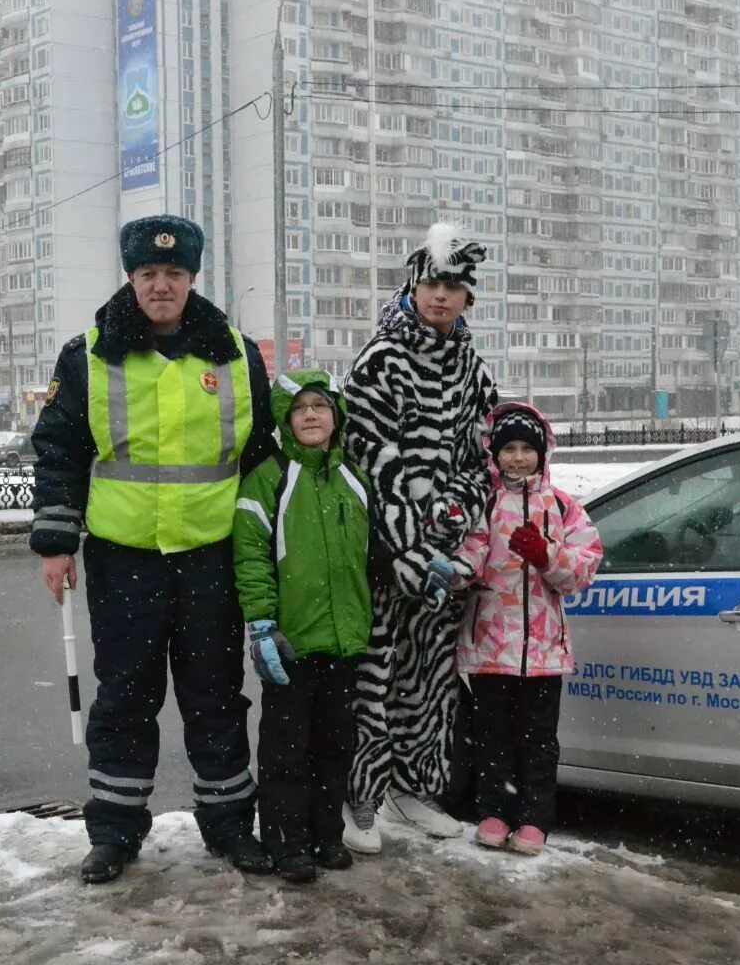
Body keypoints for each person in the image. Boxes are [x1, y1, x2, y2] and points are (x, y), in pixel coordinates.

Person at [29, 214, 278, 884]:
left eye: (173, 274)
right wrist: (57, 542)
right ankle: (113, 833)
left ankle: (229, 826)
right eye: (148, 274)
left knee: (216, 697)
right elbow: (59, 452)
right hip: (123, 557)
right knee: (125, 697)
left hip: (211, 557)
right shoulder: (88, 354)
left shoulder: (236, 353)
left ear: (192, 279)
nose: (161, 286)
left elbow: (260, 457)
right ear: (131, 279)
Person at [340, 223, 498, 854]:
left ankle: (413, 787)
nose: (441, 296)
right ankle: (362, 798)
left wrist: (455, 515)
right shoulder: (381, 359)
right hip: (389, 552)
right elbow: (363, 455)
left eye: (454, 286)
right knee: (375, 674)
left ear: (467, 297)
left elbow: (485, 452)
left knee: (429, 677)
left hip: (447, 552)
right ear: (413, 284)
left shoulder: (472, 368)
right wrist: (410, 534)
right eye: (433, 282)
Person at [232, 370, 372, 883]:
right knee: (286, 749)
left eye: (320, 406)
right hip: (290, 642)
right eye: (300, 408)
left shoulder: (353, 478)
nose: (311, 415)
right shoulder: (268, 479)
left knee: (334, 746)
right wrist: (263, 624)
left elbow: (372, 555)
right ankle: (286, 843)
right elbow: (250, 557)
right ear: (285, 419)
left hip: (344, 640)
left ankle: (325, 835)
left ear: (337, 415)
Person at [453, 402, 603, 855]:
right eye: (509, 449)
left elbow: (583, 568)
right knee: (493, 736)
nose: (518, 458)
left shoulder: (562, 506)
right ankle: (495, 811)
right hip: (491, 647)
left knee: (538, 740)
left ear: (542, 453)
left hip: (543, 651)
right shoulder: (486, 503)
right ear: (494, 454)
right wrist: (453, 570)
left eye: (526, 449)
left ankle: (535, 819)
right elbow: (471, 554)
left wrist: (546, 556)